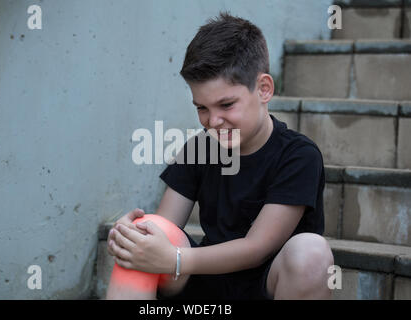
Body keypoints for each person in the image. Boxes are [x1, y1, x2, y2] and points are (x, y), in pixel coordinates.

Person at [106, 12, 334, 300]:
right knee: (142, 236)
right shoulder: (200, 149)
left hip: (267, 285)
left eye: (226, 104)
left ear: (264, 89)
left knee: (311, 251)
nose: (213, 121)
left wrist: (175, 259)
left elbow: (257, 249)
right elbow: (162, 230)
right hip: (206, 285)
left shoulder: (298, 156)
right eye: (202, 108)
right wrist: (131, 239)